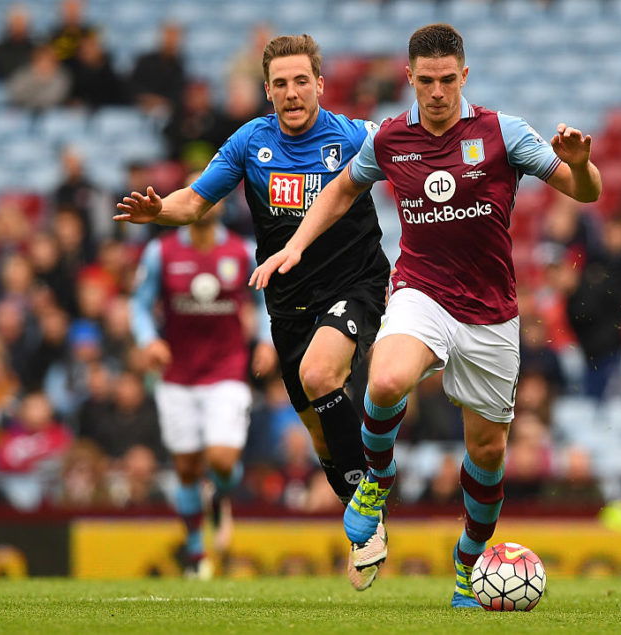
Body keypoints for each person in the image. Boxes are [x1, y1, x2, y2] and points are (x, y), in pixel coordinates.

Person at [252, 23, 601, 607]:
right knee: (386, 380)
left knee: (487, 456)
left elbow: (584, 192)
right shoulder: (389, 139)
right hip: (421, 292)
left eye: (447, 80)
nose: (436, 92)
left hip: (491, 313)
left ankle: (469, 566)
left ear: (463, 76)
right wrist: (295, 245)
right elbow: (339, 191)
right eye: (425, 81)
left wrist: (582, 164)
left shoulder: (502, 132)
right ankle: (375, 486)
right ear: (409, 78)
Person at [115, 35, 391, 590]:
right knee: (317, 432)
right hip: (287, 300)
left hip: (356, 284)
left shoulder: (358, 136)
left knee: (321, 374)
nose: (292, 93)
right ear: (268, 91)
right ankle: (367, 516)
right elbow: (193, 202)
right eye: (281, 84)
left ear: (320, 83)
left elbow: (417, 165)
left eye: (301, 81)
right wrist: (158, 211)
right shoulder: (249, 142)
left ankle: (369, 505)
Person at [128, 173, 271, 578]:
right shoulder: (161, 252)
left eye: (215, 192)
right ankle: (195, 554)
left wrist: (264, 340)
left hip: (227, 370)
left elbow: (263, 302)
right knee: (188, 469)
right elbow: (138, 305)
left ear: (223, 202)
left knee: (221, 460)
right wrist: (147, 340)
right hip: (177, 375)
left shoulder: (242, 252)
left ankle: (221, 496)